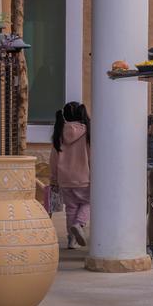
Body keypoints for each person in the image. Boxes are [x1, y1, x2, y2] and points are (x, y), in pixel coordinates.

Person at [49, 102, 91, 250]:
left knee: (71, 208)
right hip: (84, 178)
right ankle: (79, 224)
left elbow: (53, 160)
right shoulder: (88, 133)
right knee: (88, 203)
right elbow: (92, 157)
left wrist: (54, 180)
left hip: (64, 180)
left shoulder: (59, 133)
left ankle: (71, 240)